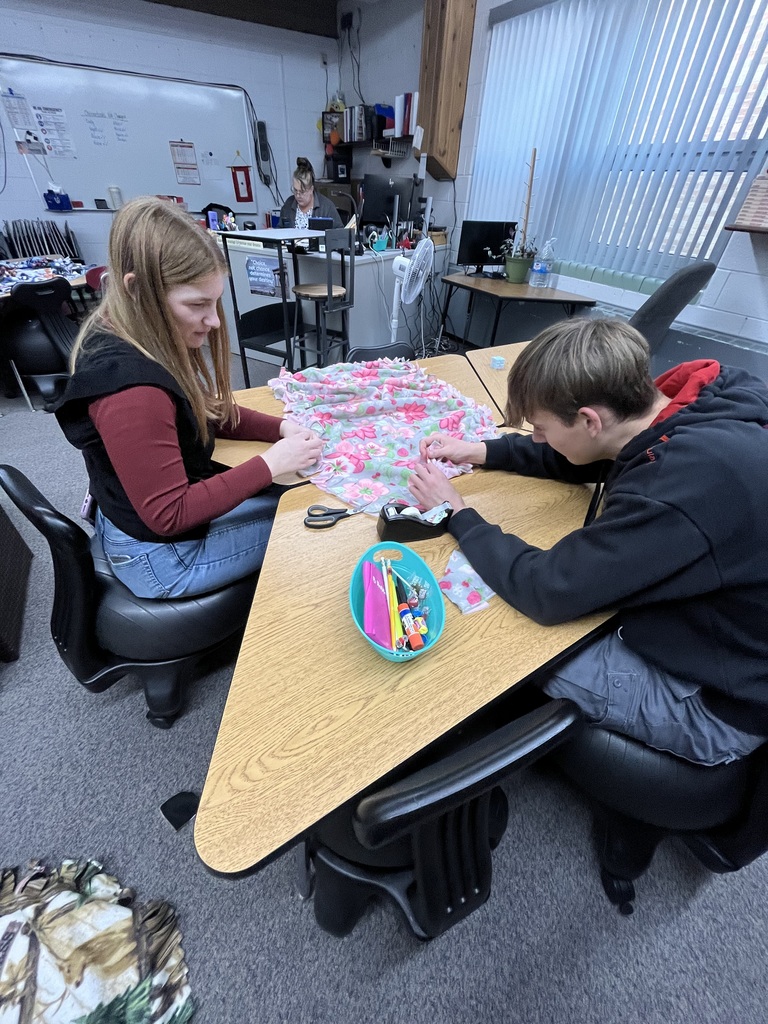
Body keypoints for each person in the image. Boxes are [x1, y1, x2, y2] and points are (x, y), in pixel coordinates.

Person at [408, 318, 768, 766]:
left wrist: (457, 513)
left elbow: (548, 588)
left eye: (539, 428)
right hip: (729, 633)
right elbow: (594, 454)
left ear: (588, 419)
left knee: (505, 646)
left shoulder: (675, 489)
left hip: (719, 706)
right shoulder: (703, 397)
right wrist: (481, 450)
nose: (536, 438)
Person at [55, 195, 323, 600]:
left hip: (137, 524)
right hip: (159, 559)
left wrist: (281, 427)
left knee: (284, 493)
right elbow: (169, 514)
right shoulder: (134, 392)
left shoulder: (129, 330)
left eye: (215, 301)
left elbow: (202, 410)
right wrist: (269, 464)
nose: (214, 321)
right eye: (197, 305)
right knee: (310, 513)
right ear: (139, 291)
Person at [279, 157, 343, 230]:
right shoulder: (288, 205)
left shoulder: (326, 207)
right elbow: (280, 229)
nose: (298, 195)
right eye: (295, 190)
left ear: (311, 189)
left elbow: (339, 233)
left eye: (302, 191)